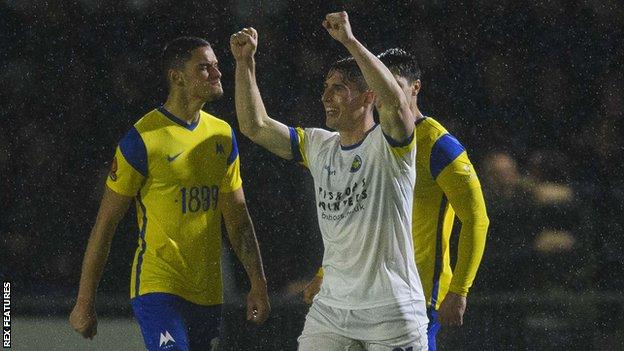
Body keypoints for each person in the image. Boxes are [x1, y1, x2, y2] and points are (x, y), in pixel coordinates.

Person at [231, 12, 429, 351]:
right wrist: (244, 62)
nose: (326, 96)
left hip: (390, 310)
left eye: (339, 89)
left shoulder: (391, 145)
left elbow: (396, 104)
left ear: (368, 97)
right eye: (325, 88)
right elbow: (255, 126)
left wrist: (350, 43)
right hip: (333, 308)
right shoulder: (319, 145)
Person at [69, 36, 270, 351]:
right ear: (177, 77)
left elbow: (238, 219)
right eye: (205, 68)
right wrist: (84, 301)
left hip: (208, 291)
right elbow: (105, 224)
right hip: (158, 287)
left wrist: (258, 282)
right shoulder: (143, 139)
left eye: (217, 66)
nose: (217, 73)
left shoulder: (221, 135)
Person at [303, 48, 490, 351]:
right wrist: (325, 273)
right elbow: (356, 219)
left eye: (393, 84)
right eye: (377, 85)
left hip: (415, 296)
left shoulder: (439, 145)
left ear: (415, 87)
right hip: (365, 298)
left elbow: (476, 218)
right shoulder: (371, 143)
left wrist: (459, 290)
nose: (385, 93)